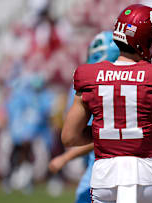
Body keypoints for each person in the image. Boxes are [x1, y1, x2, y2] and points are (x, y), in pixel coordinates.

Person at [61, 4, 152, 203]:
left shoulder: (87, 75)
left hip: (104, 176)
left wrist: (102, 133)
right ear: (145, 40)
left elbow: (69, 137)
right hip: (145, 175)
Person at [48, 30, 120, 203]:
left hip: (104, 171)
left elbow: (79, 137)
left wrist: (66, 157)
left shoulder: (89, 85)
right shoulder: (140, 81)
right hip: (138, 172)